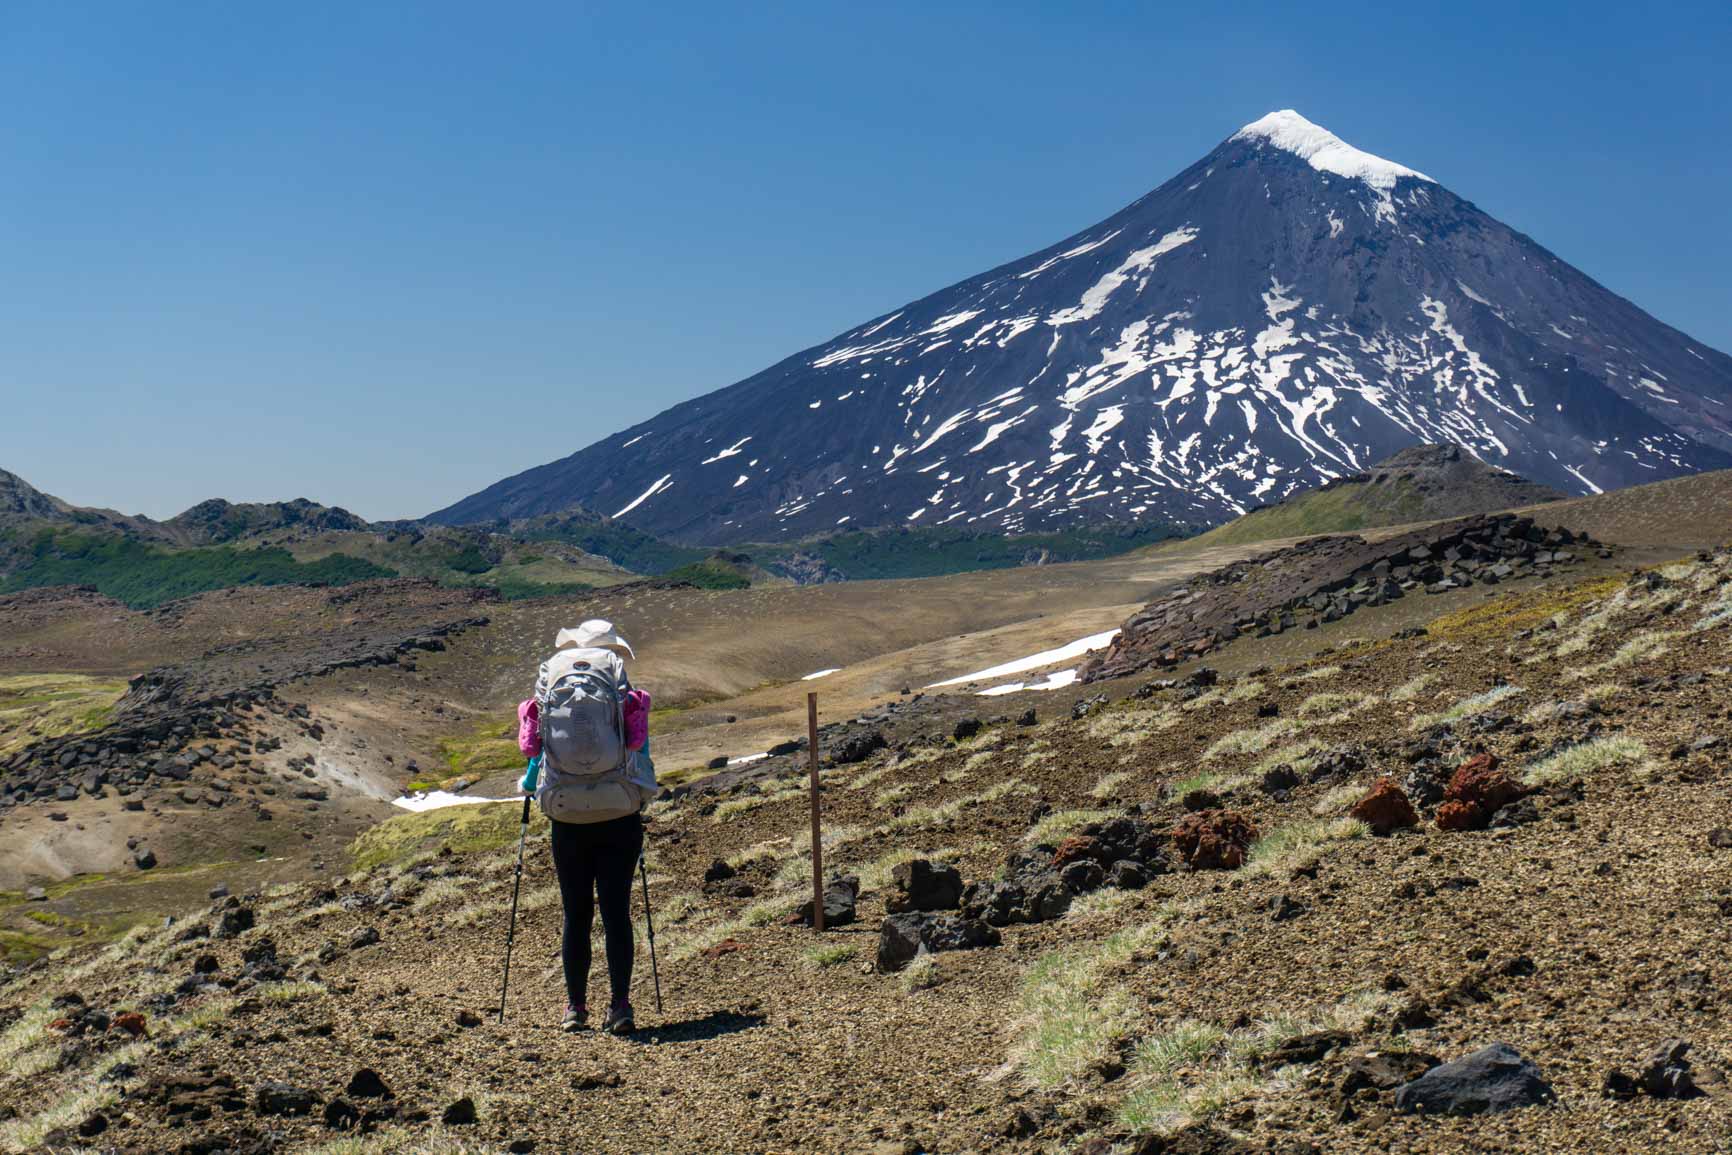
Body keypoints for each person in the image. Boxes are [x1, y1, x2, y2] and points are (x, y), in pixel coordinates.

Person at [517, 619, 657, 1034]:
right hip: (619, 814)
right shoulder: (626, 698)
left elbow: (534, 762)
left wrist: (530, 787)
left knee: (575, 913)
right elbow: (638, 752)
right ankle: (620, 1007)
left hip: (567, 816)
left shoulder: (551, 690)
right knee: (616, 912)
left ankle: (575, 1008)